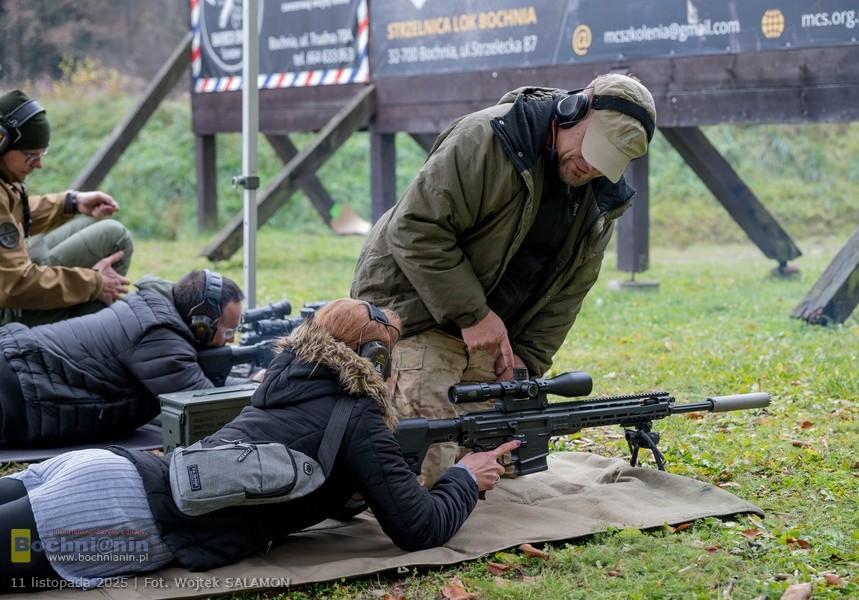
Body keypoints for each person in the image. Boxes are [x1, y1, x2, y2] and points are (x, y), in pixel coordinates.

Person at [0, 298, 519, 590]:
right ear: (374, 365)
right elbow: (420, 527)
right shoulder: (358, 414)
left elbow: (299, 466)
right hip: (114, 519)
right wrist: (465, 478)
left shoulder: (282, 383)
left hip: (101, 473)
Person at [351, 73, 657, 485]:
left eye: (606, 162)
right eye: (590, 147)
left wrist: (525, 361)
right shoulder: (486, 138)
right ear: (573, 110)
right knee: (428, 470)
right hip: (416, 311)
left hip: (492, 333)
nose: (590, 167)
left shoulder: (600, 201)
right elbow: (416, 228)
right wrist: (473, 314)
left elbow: (566, 296)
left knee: (500, 465)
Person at [0, 269, 262, 448]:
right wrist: (255, 385)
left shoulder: (150, 311)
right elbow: (209, 412)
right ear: (200, 325)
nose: (230, 340)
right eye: (227, 331)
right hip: (19, 390)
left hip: (18, 364)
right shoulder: (158, 337)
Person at [0, 89, 133, 327]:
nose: (38, 164)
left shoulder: (4, 178)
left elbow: (15, 213)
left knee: (91, 224)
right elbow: (15, 284)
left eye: (42, 154)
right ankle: (80, 351)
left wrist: (71, 203)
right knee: (114, 237)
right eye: (31, 156)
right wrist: (95, 283)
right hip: (7, 315)